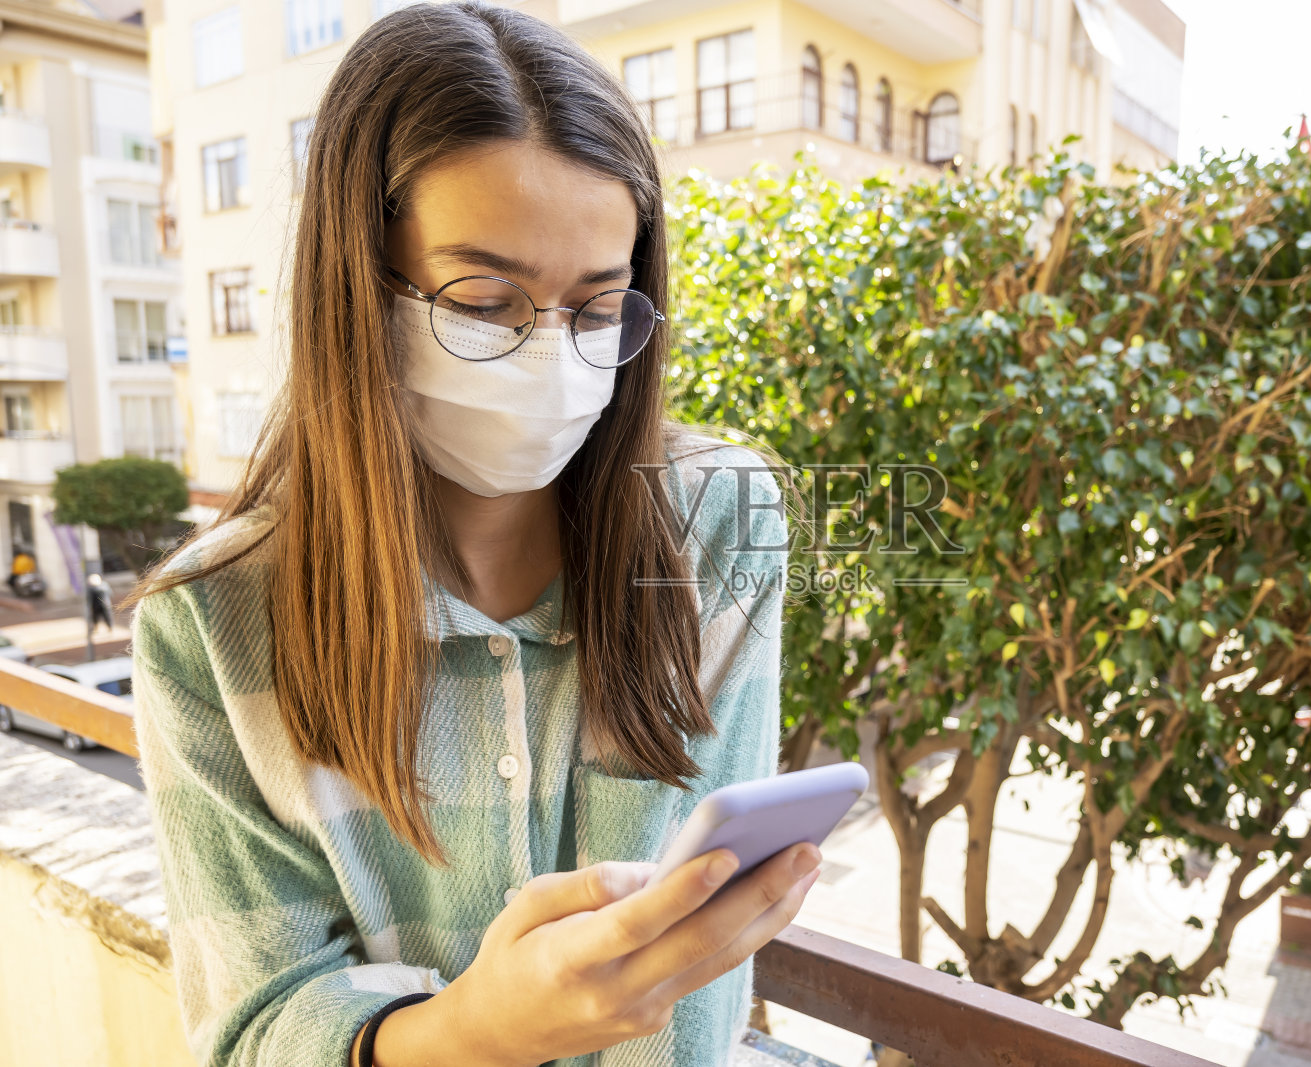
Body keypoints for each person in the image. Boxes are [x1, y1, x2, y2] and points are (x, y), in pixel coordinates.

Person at [126, 5, 811, 1067]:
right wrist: (477, 1031)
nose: (551, 359)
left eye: (596, 308)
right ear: (360, 281)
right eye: (485, 300)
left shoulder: (720, 519)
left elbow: (690, 984)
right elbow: (255, 1028)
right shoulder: (210, 622)